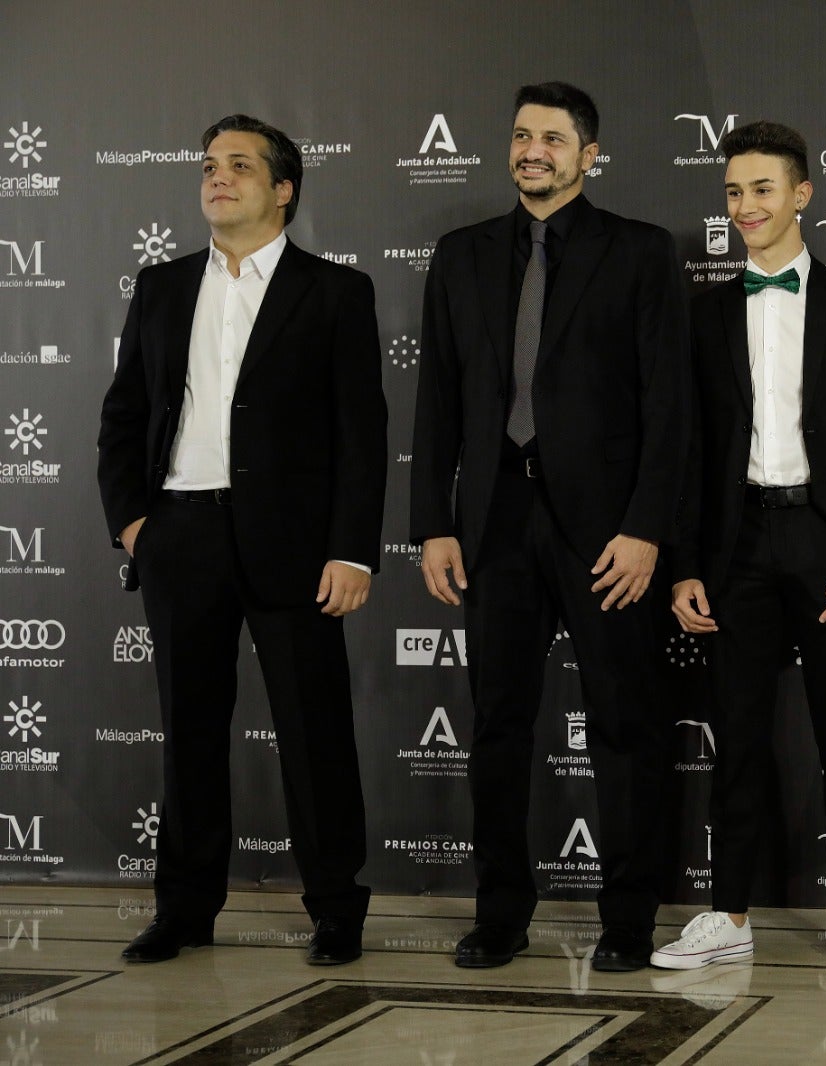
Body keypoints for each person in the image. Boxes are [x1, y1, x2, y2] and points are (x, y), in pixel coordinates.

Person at [410, 82, 690, 972]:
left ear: (589, 154)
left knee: (624, 725)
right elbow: (438, 401)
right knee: (496, 723)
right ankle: (500, 915)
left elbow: (670, 406)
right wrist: (434, 525)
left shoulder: (641, 253)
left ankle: (629, 920)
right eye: (523, 134)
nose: (534, 150)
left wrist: (647, 526)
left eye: (554, 139)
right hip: (493, 522)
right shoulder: (460, 255)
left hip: (607, 532)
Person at [97, 114, 386, 966]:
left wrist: (353, 548)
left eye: (239, 166)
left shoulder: (336, 292)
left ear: (284, 188)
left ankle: (337, 907)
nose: (217, 178)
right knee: (188, 731)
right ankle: (184, 907)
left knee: (315, 728)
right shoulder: (160, 287)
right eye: (209, 166)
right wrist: (135, 525)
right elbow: (121, 419)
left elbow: (361, 436)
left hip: (296, 547)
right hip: (179, 535)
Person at [650, 121, 826, 976]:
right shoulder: (704, 314)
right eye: (733, 192)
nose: (745, 206)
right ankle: (728, 914)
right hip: (735, 548)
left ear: (802, 194)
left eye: (762, 189)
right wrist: (685, 562)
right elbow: (685, 451)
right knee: (739, 741)